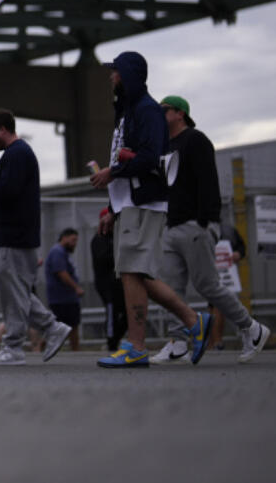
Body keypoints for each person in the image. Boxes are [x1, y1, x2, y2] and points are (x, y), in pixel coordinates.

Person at [90, 52, 211, 368]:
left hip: (143, 201)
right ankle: (192, 321)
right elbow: (127, 159)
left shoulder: (146, 110)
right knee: (136, 273)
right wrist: (112, 209)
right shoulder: (130, 109)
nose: (111, 77)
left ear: (127, 74)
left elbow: (150, 157)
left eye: (115, 71)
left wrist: (111, 173)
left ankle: (138, 346)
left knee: (132, 272)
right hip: (130, 203)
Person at [150, 96, 270, 364]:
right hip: (172, 225)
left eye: (164, 110)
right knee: (170, 287)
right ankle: (178, 342)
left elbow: (208, 180)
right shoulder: (166, 146)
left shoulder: (196, 140)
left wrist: (206, 221)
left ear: (180, 113)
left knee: (207, 284)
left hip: (196, 223)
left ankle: (252, 328)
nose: (160, 114)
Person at [0, 109, 73, 366]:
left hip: (12, 235)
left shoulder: (16, 155)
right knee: (14, 289)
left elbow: (7, 191)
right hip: (16, 233)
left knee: (11, 290)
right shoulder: (18, 154)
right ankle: (49, 329)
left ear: (3, 129)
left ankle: (15, 346)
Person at [90, 208, 127, 351]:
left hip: (119, 283)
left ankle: (115, 338)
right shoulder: (99, 238)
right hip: (106, 284)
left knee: (125, 312)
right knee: (111, 311)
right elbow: (102, 260)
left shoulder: (116, 237)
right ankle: (111, 341)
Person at [209, 217, 248, 350]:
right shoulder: (202, 230)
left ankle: (216, 341)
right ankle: (214, 341)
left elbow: (242, 247)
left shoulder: (228, 230)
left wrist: (238, 254)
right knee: (214, 306)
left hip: (225, 273)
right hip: (211, 272)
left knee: (217, 305)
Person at [44, 229, 83, 352]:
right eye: (73, 240)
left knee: (70, 325)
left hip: (67, 298)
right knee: (66, 326)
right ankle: (41, 348)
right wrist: (76, 287)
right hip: (62, 298)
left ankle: (74, 351)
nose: (75, 243)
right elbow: (62, 273)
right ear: (64, 238)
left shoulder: (63, 253)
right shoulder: (57, 252)